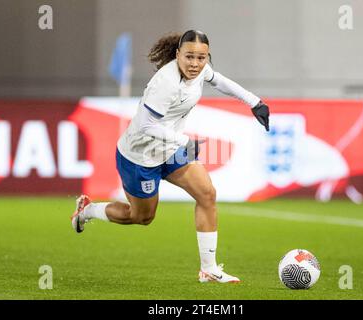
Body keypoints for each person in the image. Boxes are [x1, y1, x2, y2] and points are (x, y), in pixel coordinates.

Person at [71, 30, 270, 283]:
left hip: (170, 151)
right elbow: (145, 126)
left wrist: (255, 102)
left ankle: (208, 269)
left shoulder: (200, 71)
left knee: (207, 194)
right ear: (177, 55)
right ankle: (88, 211)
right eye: (189, 57)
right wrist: (184, 141)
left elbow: (219, 80)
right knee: (142, 217)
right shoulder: (165, 83)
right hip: (139, 158)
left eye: (201, 58)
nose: (195, 64)